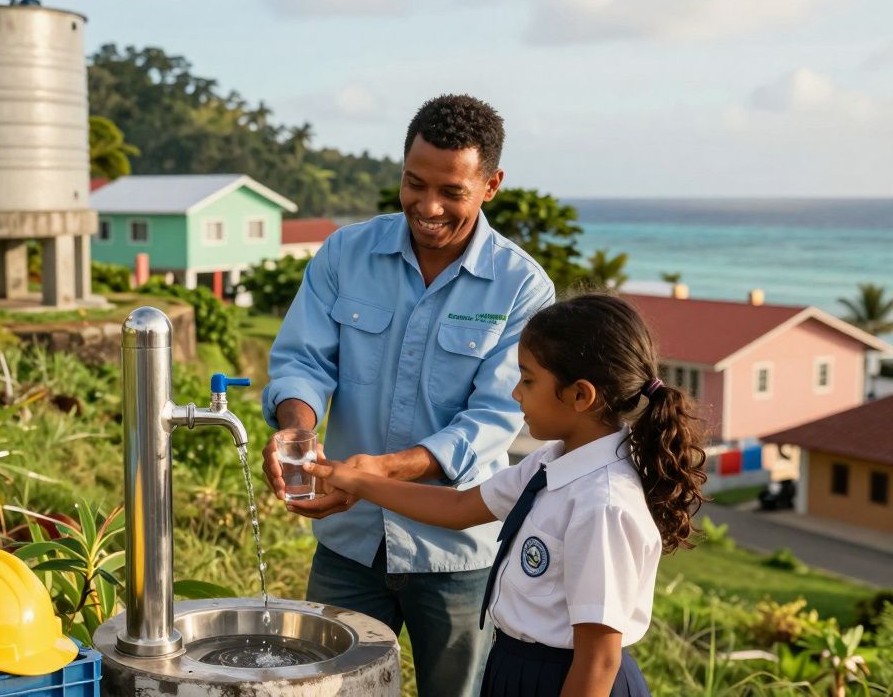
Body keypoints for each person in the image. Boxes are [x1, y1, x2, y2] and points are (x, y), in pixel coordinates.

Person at [260, 94, 555, 696]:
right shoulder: (346, 252)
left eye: (451, 191)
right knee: (327, 690)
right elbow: (303, 361)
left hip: (457, 556)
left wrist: (377, 474)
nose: (428, 206)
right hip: (349, 545)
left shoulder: (522, 287)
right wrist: (297, 429)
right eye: (414, 184)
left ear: (491, 185)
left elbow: (491, 419)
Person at [293, 294, 708, 696]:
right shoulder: (552, 461)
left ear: (580, 395)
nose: (515, 393)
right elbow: (459, 507)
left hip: (566, 680)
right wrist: (357, 479)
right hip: (517, 668)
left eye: (528, 380)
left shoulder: (603, 504)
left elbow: (598, 660)